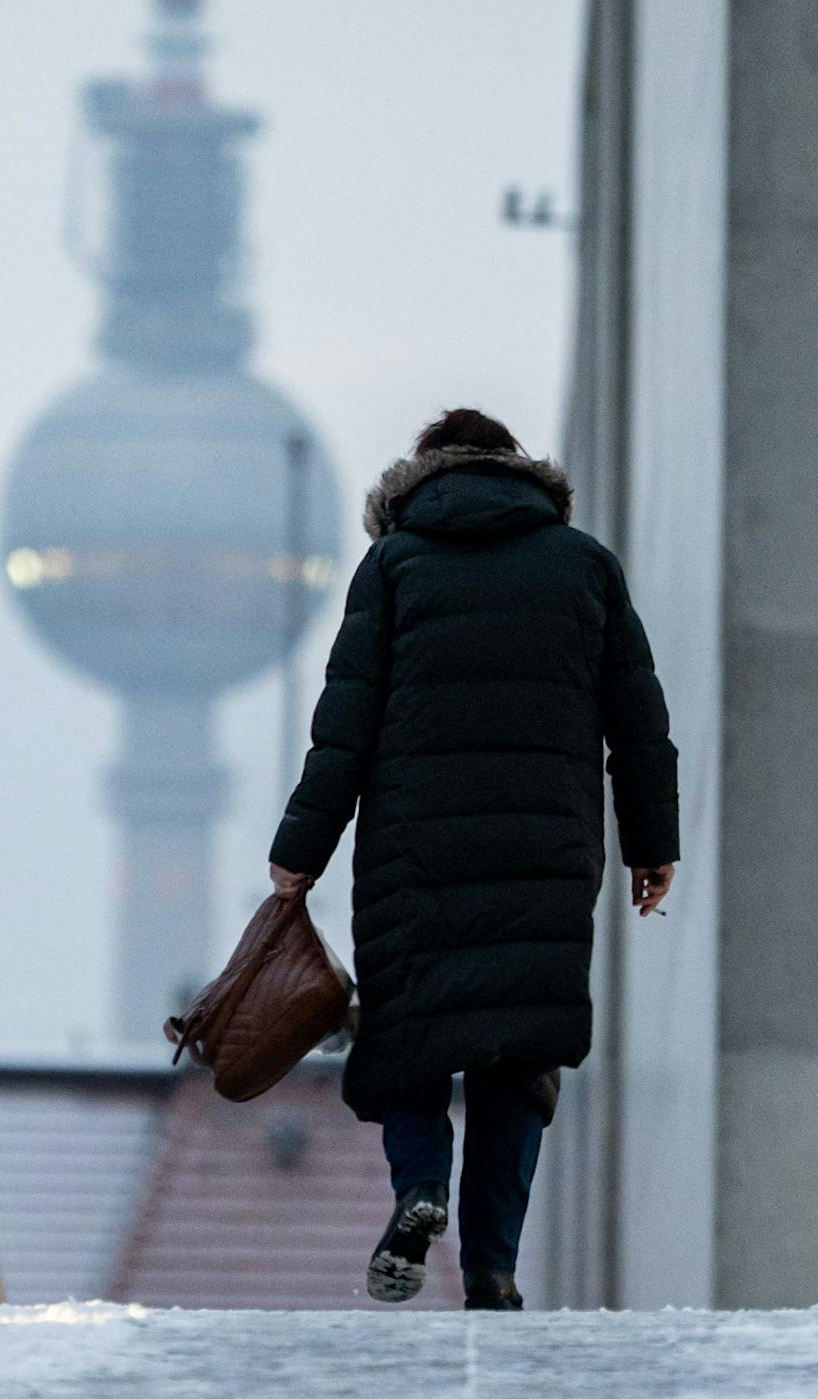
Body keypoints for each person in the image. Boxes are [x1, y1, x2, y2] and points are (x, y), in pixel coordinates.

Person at [268, 409, 678, 1309]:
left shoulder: (395, 566)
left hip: (415, 857)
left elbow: (344, 728)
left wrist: (299, 854)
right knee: (516, 1055)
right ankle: (493, 1269)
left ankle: (420, 1191)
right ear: (522, 472)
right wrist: (654, 846)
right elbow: (639, 728)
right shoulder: (586, 567)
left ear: (419, 477)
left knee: (408, 1039)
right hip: (546, 852)